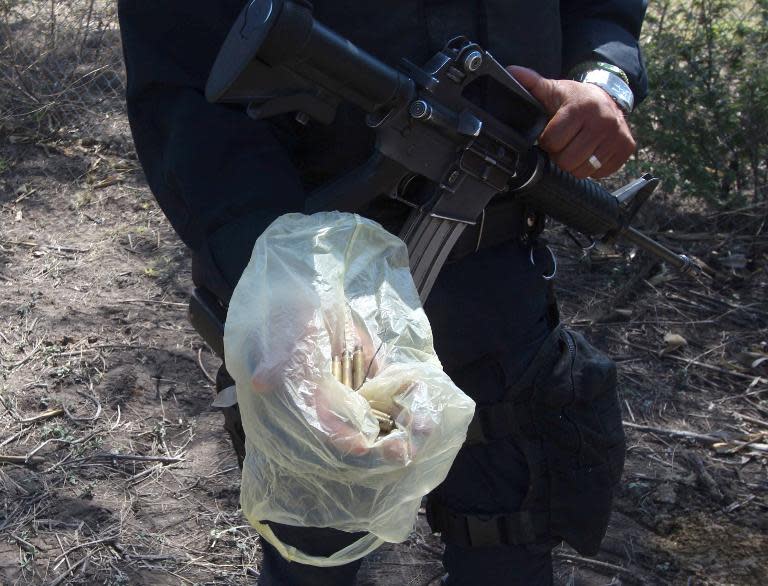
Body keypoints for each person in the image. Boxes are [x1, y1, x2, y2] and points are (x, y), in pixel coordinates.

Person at [118, 1, 648, 584]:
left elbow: (604, 11)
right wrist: (283, 285)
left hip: (499, 285)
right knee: (313, 555)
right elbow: (182, 84)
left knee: (510, 547)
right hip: (315, 288)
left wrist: (603, 78)